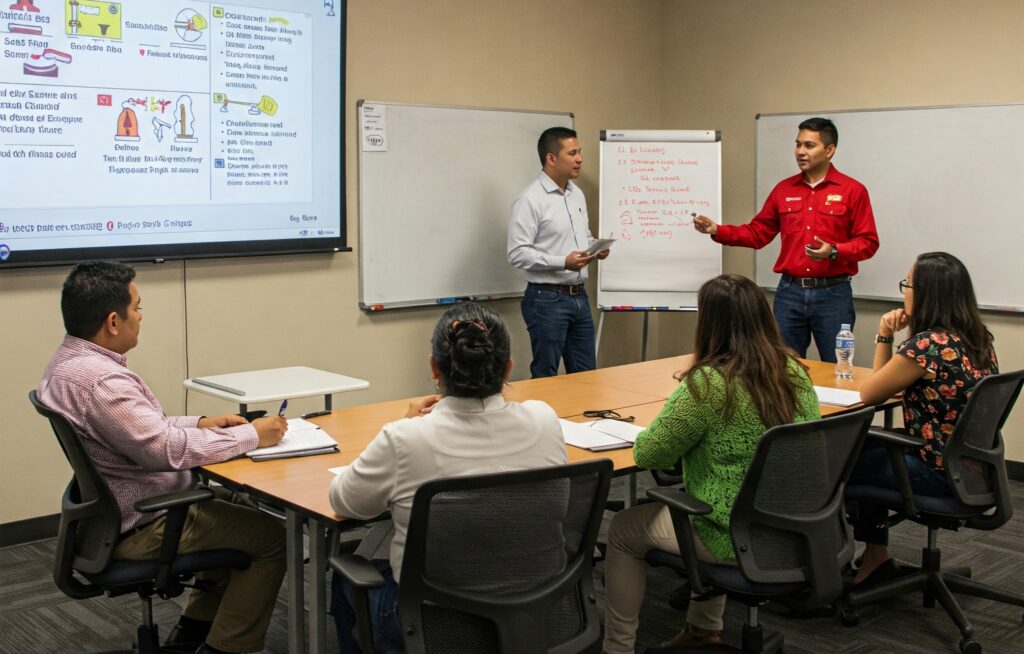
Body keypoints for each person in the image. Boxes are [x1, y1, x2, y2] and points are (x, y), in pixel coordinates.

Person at [36, 261, 288, 654]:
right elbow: (164, 451)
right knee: (272, 538)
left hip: (120, 514)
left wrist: (201, 422)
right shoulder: (101, 381)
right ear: (114, 322)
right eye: (137, 307)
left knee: (238, 509)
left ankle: (191, 634)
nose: (141, 316)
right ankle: (227, 649)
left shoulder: (68, 365)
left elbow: (139, 430)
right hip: (143, 522)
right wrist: (252, 434)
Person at [328, 301, 567, 651]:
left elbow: (345, 502)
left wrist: (407, 426)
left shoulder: (405, 437)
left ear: (434, 369)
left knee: (346, 578)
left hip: (435, 619)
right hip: (538, 606)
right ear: (509, 369)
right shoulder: (545, 419)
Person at [602, 274, 821, 652]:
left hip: (734, 534)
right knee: (708, 494)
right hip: (795, 527)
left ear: (709, 322)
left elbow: (650, 456)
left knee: (623, 529)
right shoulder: (795, 373)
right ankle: (703, 629)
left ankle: (617, 648)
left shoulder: (706, 385)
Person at [850, 252, 997, 585]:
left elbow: (872, 393)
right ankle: (874, 556)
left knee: (837, 459)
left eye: (908, 285)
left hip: (936, 471)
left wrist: (884, 334)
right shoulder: (978, 339)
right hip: (972, 468)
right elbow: (888, 386)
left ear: (927, 293)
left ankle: (852, 559)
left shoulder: (928, 346)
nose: (905, 292)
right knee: (863, 446)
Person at [692, 117, 879, 362]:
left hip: (832, 293)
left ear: (829, 150)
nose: (800, 152)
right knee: (782, 365)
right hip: (790, 293)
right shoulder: (784, 190)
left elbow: (868, 243)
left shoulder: (852, 190)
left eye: (809, 146)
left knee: (837, 365)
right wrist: (717, 229)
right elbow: (757, 233)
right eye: (798, 144)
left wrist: (833, 251)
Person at [507, 126, 609, 378]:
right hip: (546, 299)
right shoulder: (530, 200)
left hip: (578, 297)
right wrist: (562, 262)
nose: (580, 159)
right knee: (545, 375)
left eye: (580, 152)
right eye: (572, 153)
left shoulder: (576, 195)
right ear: (551, 159)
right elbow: (517, 253)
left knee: (586, 376)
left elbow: (580, 238)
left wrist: (594, 248)